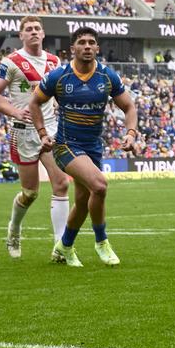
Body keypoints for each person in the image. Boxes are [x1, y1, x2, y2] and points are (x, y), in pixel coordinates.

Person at [30, 26, 138, 268]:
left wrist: (130, 134)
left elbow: (129, 107)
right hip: (66, 145)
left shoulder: (107, 77)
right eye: (82, 42)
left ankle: (64, 247)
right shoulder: (59, 76)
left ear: (97, 48)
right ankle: (102, 242)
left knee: (82, 201)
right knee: (99, 186)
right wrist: (42, 134)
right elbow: (35, 102)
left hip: (93, 147)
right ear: (73, 48)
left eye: (91, 42)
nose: (87, 46)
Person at [0, 15, 69, 259]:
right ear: (20, 35)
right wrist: (14, 112)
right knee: (30, 192)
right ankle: (14, 228)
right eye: (28, 29)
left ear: (43, 34)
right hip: (23, 133)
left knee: (62, 184)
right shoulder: (11, 62)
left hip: (50, 129)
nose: (34, 32)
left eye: (37, 28)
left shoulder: (54, 61)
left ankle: (60, 247)